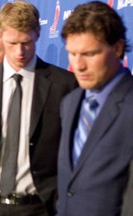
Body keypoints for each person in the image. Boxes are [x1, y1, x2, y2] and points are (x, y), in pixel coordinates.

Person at [0, 2, 77, 216]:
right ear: (0, 35)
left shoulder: (64, 85)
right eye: (12, 43)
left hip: (40, 206)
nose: (20, 52)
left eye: (26, 43)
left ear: (38, 34)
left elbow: (73, 153)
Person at [56, 2, 133, 216]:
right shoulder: (69, 102)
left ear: (117, 48)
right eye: (72, 54)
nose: (78, 65)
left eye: (89, 54)